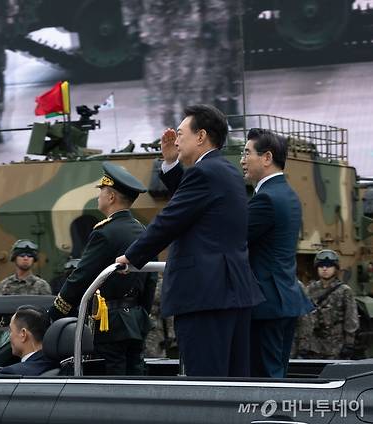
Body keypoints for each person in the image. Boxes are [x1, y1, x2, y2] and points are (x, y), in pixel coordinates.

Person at [116, 104, 264, 377]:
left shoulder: (205, 173)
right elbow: (192, 201)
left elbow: (171, 219)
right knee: (234, 378)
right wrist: (171, 162)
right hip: (231, 292)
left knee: (206, 382)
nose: (176, 139)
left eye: (181, 133)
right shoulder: (224, 170)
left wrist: (131, 257)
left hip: (206, 296)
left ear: (201, 136)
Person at [49, 162, 155, 375]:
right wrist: (140, 312)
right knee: (136, 381)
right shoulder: (143, 231)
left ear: (111, 197)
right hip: (135, 321)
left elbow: (82, 276)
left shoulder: (104, 233)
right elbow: (150, 278)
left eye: (101, 191)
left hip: (110, 325)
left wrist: (57, 309)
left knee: (111, 385)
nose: (98, 196)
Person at [240, 128, 314, 378]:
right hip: (282, 298)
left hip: (265, 305)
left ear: (267, 157)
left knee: (263, 382)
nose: (242, 160)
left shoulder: (266, 198)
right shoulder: (288, 194)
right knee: (275, 374)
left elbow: (234, 238)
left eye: (247, 152)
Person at [297, 250, 359, 359]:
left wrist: (349, 344)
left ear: (335, 268)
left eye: (329, 266)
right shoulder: (310, 289)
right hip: (314, 346)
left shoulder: (344, 291)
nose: (324, 269)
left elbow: (351, 319)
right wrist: (303, 345)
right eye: (321, 266)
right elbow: (304, 319)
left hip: (336, 347)